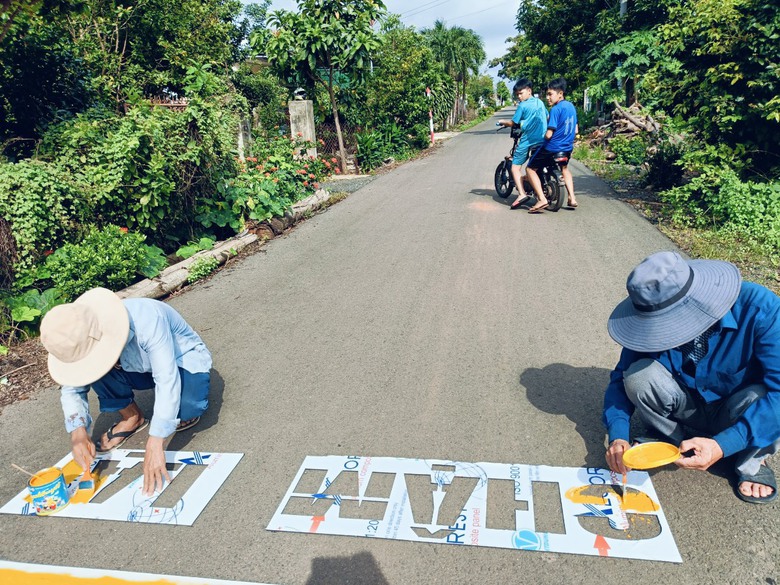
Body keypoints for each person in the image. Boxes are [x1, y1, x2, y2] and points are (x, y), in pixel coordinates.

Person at [603, 251, 780, 503]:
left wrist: (724, 444)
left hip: (737, 410)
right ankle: (673, 442)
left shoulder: (761, 309)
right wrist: (618, 433)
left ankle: (749, 463)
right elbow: (621, 377)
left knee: (761, 395)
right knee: (639, 377)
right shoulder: (650, 316)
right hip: (687, 404)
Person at [40, 287, 212, 496]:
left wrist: (156, 441)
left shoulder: (147, 319)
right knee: (90, 372)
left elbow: (167, 378)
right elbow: (72, 388)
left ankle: (175, 412)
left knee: (187, 408)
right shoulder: (77, 338)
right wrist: (78, 433)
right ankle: (132, 417)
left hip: (180, 361)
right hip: (134, 368)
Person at [526, 78, 579, 211]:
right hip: (567, 148)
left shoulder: (555, 109)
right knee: (565, 169)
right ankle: (572, 198)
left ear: (560, 93)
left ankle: (542, 199)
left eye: (550, 94)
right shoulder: (571, 107)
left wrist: (542, 136)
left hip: (552, 148)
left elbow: (549, 134)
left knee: (530, 169)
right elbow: (576, 130)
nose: (548, 98)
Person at [497, 78, 548, 211]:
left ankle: (521, 194)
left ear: (529, 91)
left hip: (528, 141)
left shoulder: (523, 106)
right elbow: (547, 117)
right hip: (543, 140)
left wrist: (502, 121)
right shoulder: (540, 102)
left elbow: (514, 123)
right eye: (518, 94)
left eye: (521, 93)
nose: (519, 96)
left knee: (515, 167)